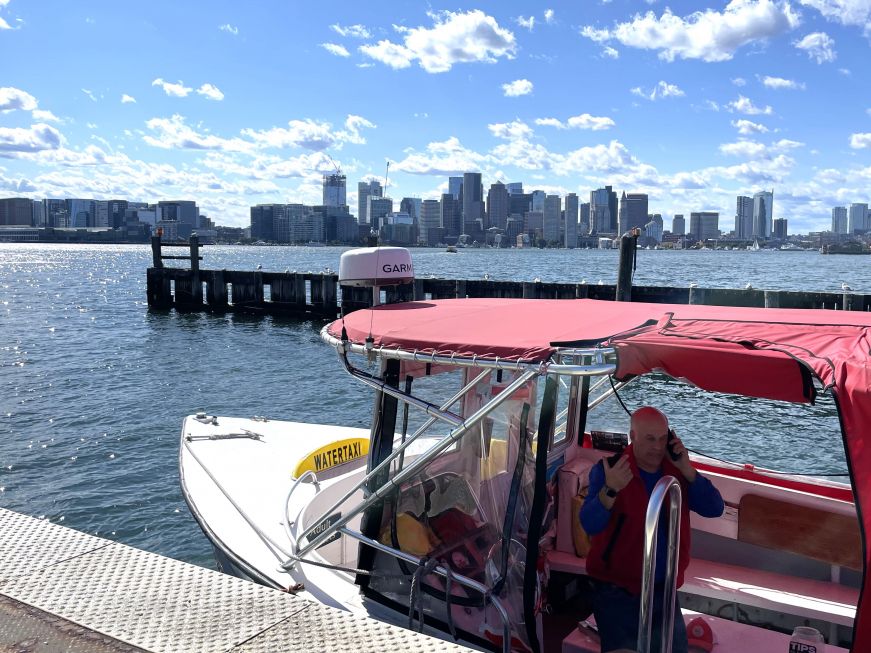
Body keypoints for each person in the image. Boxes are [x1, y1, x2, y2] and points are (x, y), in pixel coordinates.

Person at [579, 406, 724, 653]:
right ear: (632, 436)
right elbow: (590, 523)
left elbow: (714, 508)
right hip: (616, 590)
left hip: (663, 591)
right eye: (649, 438)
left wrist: (688, 469)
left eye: (663, 438)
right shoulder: (609, 470)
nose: (658, 446)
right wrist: (611, 489)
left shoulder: (677, 471)